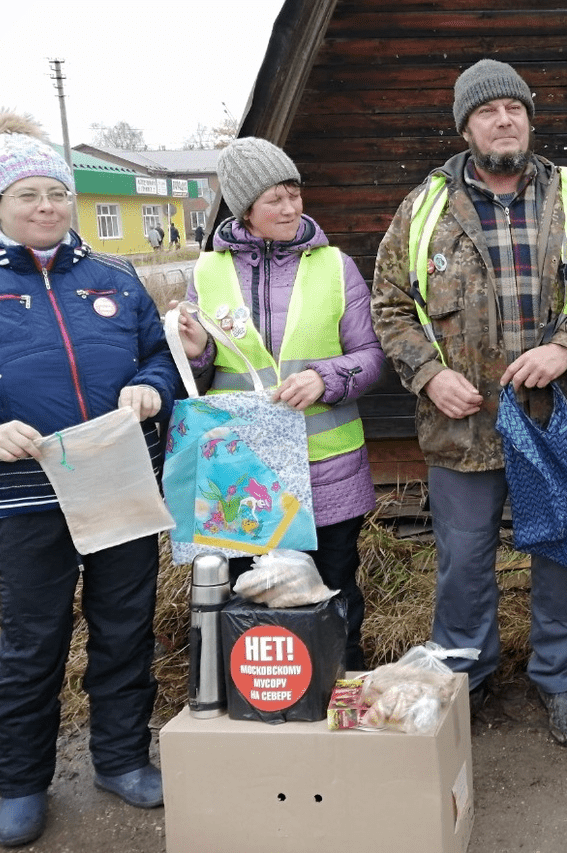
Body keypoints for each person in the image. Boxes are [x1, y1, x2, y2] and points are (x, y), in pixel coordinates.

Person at [0, 112, 180, 847]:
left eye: (56, 193)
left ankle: (122, 758)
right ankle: (22, 782)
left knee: (124, 629)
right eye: (28, 194)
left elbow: (158, 357)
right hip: (23, 496)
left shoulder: (112, 276)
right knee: (33, 641)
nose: (46, 207)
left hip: (119, 481)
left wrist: (152, 388)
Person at [370, 59, 567, 747]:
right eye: (489, 111)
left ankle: (559, 679)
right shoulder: (424, 208)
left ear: (530, 120)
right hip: (461, 422)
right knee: (463, 560)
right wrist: (428, 374)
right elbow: (390, 304)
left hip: (555, 415)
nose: (505, 119)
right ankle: (464, 676)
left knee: (560, 551)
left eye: (515, 108)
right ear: (465, 127)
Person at [172, 137, 385, 673]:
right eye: (275, 199)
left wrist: (325, 377)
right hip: (243, 473)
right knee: (253, 596)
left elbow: (373, 357)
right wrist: (194, 354)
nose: (291, 208)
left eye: (295, 194)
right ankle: (270, 705)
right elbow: (201, 371)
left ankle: (341, 691)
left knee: (335, 588)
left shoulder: (336, 267)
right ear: (245, 208)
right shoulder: (207, 272)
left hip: (326, 464)